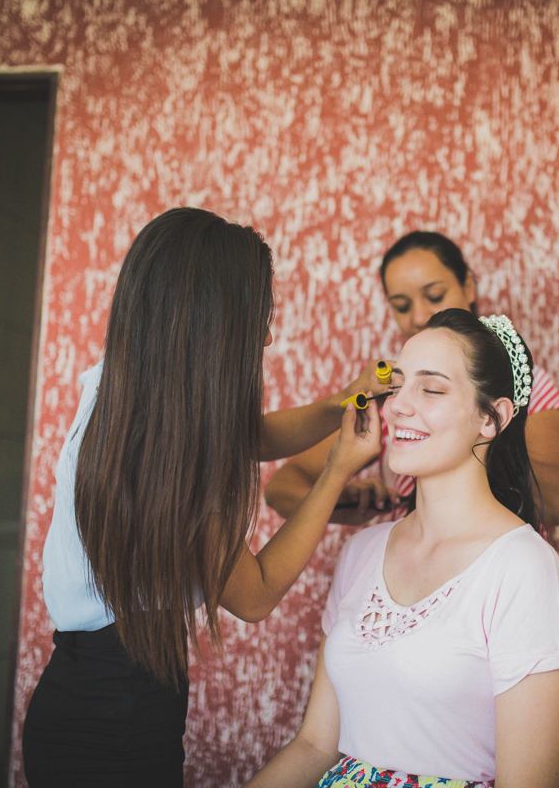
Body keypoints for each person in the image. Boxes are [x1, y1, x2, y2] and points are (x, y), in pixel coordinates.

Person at [22, 208, 385, 787]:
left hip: (80, 701)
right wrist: (337, 467)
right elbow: (256, 595)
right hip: (117, 725)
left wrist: (342, 401)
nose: (266, 336)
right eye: (258, 318)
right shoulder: (171, 459)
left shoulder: (124, 394)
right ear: (214, 325)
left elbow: (249, 436)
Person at [246, 309, 559, 788]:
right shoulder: (361, 552)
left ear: (492, 419)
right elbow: (315, 746)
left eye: (432, 389)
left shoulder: (523, 569)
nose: (396, 407)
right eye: (398, 386)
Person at [264, 231, 559, 530]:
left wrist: (461, 446)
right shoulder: (390, 400)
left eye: (435, 296)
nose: (419, 316)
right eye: (402, 306)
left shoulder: (526, 385)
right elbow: (283, 486)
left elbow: (557, 504)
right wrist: (338, 499)